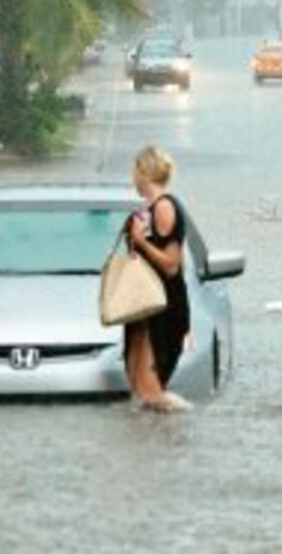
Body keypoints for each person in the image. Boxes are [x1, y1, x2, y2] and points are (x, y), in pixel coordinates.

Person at [123, 145, 194, 413]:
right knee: (139, 390)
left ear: (144, 173)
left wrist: (140, 241)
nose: (132, 178)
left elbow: (172, 266)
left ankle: (175, 436)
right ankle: (146, 450)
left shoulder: (165, 207)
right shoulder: (147, 209)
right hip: (143, 305)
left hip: (163, 306)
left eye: (134, 171)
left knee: (152, 392)